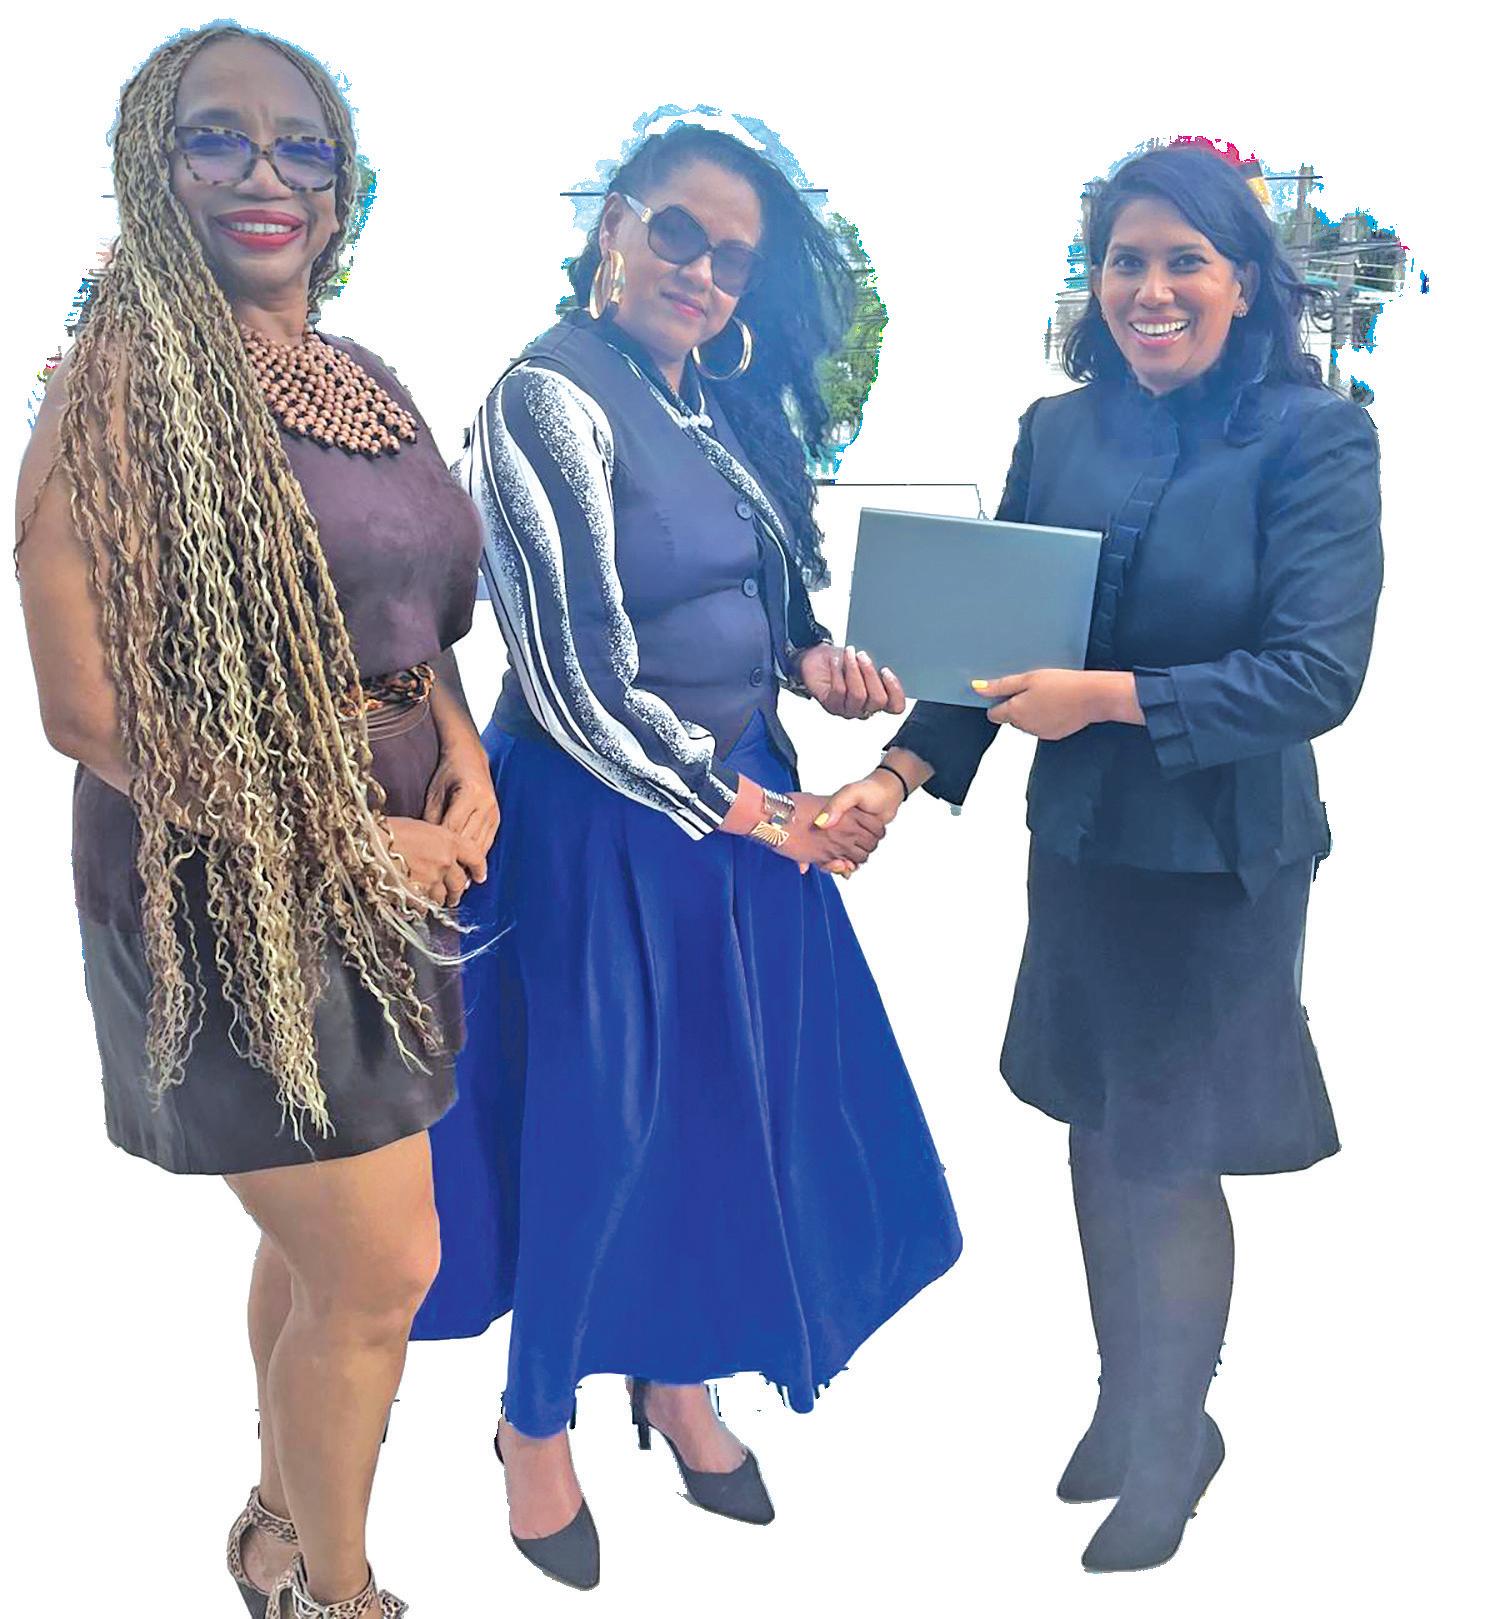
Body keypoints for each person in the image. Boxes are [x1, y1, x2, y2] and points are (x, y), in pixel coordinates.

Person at [413, 123, 963, 1591]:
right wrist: (774, 818)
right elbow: (577, 682)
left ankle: (675, 1377)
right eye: (678, 233)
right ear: (615, 226)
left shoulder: (712, 402)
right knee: (597, 1129)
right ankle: (535, 1419)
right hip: (606, 824)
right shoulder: (541, 398)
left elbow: (754, 606)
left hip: (742, 808)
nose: (703, 273)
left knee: (728, 1108)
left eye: (732, 257)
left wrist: (815, 662)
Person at [823, 143, 1382, 1572]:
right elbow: (994, 639)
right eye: (1125, 261)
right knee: (1094, 1123)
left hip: (1218, 863)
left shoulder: (1313, 438)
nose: (1151, 289)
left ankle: (1177, 1436)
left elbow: (1316, 675)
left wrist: (1113, 698)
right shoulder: (1061, 431)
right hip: (1082, 845)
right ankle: (1126, 1399)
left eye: (1185, 260)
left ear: (1244, 281)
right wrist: (895, 775)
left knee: (1169, 1149)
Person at [15, 25, 494, 1617]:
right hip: (228, 881)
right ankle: (335, 1599)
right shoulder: (114, 391)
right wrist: (355, 843)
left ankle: (279, 1528)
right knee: (382, 1268)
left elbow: (417, 621)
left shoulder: (366, 379)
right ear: (149, 168)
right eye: (215, 137)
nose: (264, 172)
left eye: (302, 143)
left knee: (319, 1250)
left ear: (345, 187)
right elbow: (89, 715)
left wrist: (466, 757)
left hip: (407, 856)